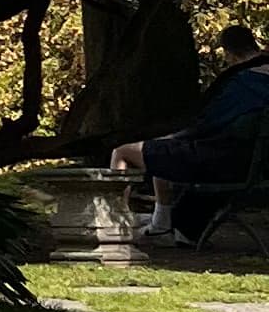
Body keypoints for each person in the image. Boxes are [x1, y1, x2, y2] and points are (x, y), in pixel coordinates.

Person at [111, 24, 269, 245]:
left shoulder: (243, 82)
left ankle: (113, 225)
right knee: (164, 149)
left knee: (125, 151)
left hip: (222, 161)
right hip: (257, 166)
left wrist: (177, 136)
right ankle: (161, 224)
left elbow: (211, 124)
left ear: (229, 54)